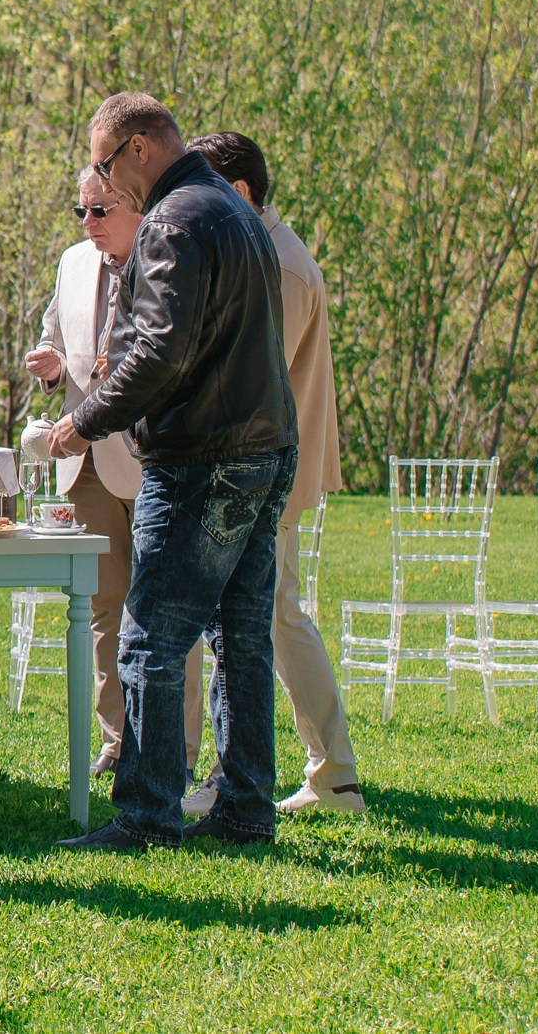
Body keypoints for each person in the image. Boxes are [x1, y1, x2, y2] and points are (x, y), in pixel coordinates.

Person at [48, 93, 298, 854]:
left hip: (204, 459)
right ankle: (248, 806)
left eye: (101, 163)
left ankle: (149, 816)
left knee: (150, 636)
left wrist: (81, 420)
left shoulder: (174, 220)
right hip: (264, 447)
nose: (102, 183)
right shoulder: (232, 209)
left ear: (138, 149)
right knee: (242, 636)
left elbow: (160, 353)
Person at [185, 131, 362, 818]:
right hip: (268, 472)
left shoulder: (279, 266)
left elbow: (253, 380)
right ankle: (329, 774)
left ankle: (322, 773)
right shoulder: (271, 253)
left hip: (268, 476)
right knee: (274, 618)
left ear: (240, 193)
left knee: (267, 620)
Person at [27, 165, 203, 779]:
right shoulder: (74, 263)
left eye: (100, 211)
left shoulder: (168, 258)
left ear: (134, 205)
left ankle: (174, 751)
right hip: (85, 462)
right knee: (105, 608)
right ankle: (117, 740)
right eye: (81, 211)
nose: (88, 223)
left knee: (164, 610)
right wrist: (50, 367)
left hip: (152, 458)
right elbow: (57, 338)